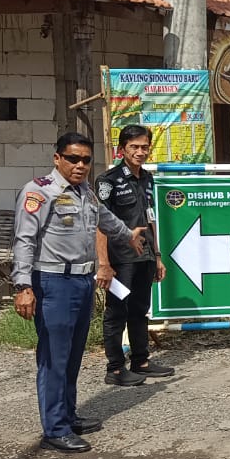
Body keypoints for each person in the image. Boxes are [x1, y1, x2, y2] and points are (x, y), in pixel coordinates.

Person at [12, 132, 148, 453]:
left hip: (82, 283)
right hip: (53, 283)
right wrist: (22, 286)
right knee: (54, 359)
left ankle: (68, 415)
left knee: (72, 357)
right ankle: (55, 429)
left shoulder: (85, 192)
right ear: (57, 158)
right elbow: (24, 240)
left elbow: (106, 219)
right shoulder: (39, 192)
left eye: (86, 160)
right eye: (73, 158)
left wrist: (128, 234)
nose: (80, 165)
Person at [95, 124, 174, 386]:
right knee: (116, 312)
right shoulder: (108, 181)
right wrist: (104, 263)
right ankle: (115, 369)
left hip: (145, 259)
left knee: (140, 310)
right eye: (134, 147)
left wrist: (158, 255)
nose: (140, 152)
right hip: (121, 261)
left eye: (144, 147)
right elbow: (101, 224)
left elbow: (151, 218)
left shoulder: (148, 179)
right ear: (122, 150)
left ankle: (141, 361)